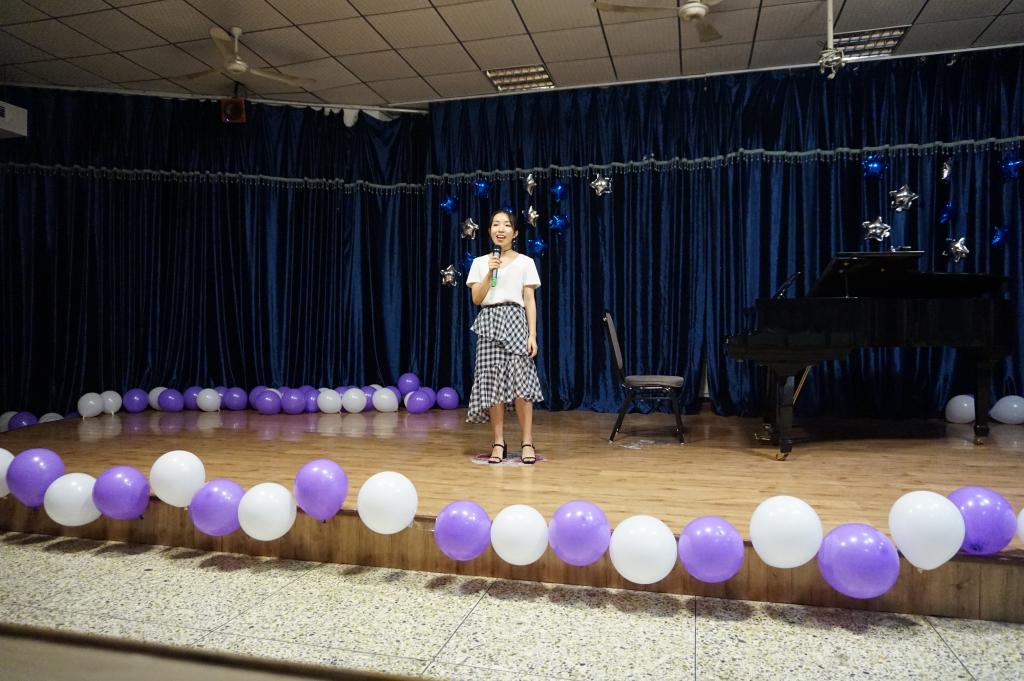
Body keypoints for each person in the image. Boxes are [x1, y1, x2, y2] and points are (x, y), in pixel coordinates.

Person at [465, 210, 543, 464]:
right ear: (489, 230)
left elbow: (529, 300)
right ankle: (498, 442)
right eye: (496, 224)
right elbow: (477, 298)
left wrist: (532, 335)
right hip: (489, 322)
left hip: (515, 321)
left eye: (506, 225)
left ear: (515, 232)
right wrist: (490, 272)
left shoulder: (525, 262)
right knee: (492, 385)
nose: (500, 229)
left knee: (522, 385)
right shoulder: (480, 262)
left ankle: (527, 442)